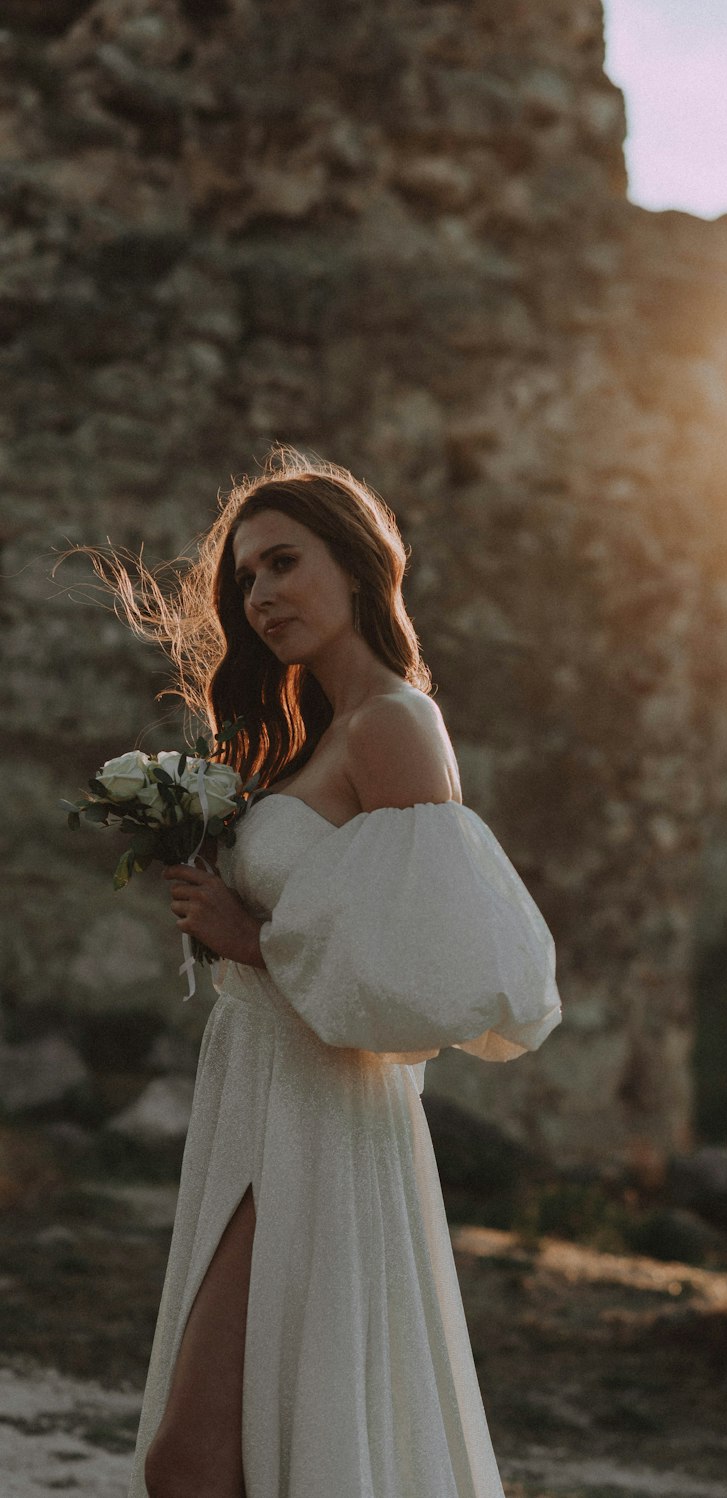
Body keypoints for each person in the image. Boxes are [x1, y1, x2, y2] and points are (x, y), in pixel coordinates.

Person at [87, 446, 562, 1498]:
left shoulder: (397, 724)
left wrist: (249, 939)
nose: (258, 596)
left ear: (356, 568)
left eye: (283, 564)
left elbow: (428, 973)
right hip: (256, 1092)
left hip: (324, 1113)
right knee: (238, 1451)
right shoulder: (314, 733)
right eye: (246, 576)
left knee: (196, 1461)